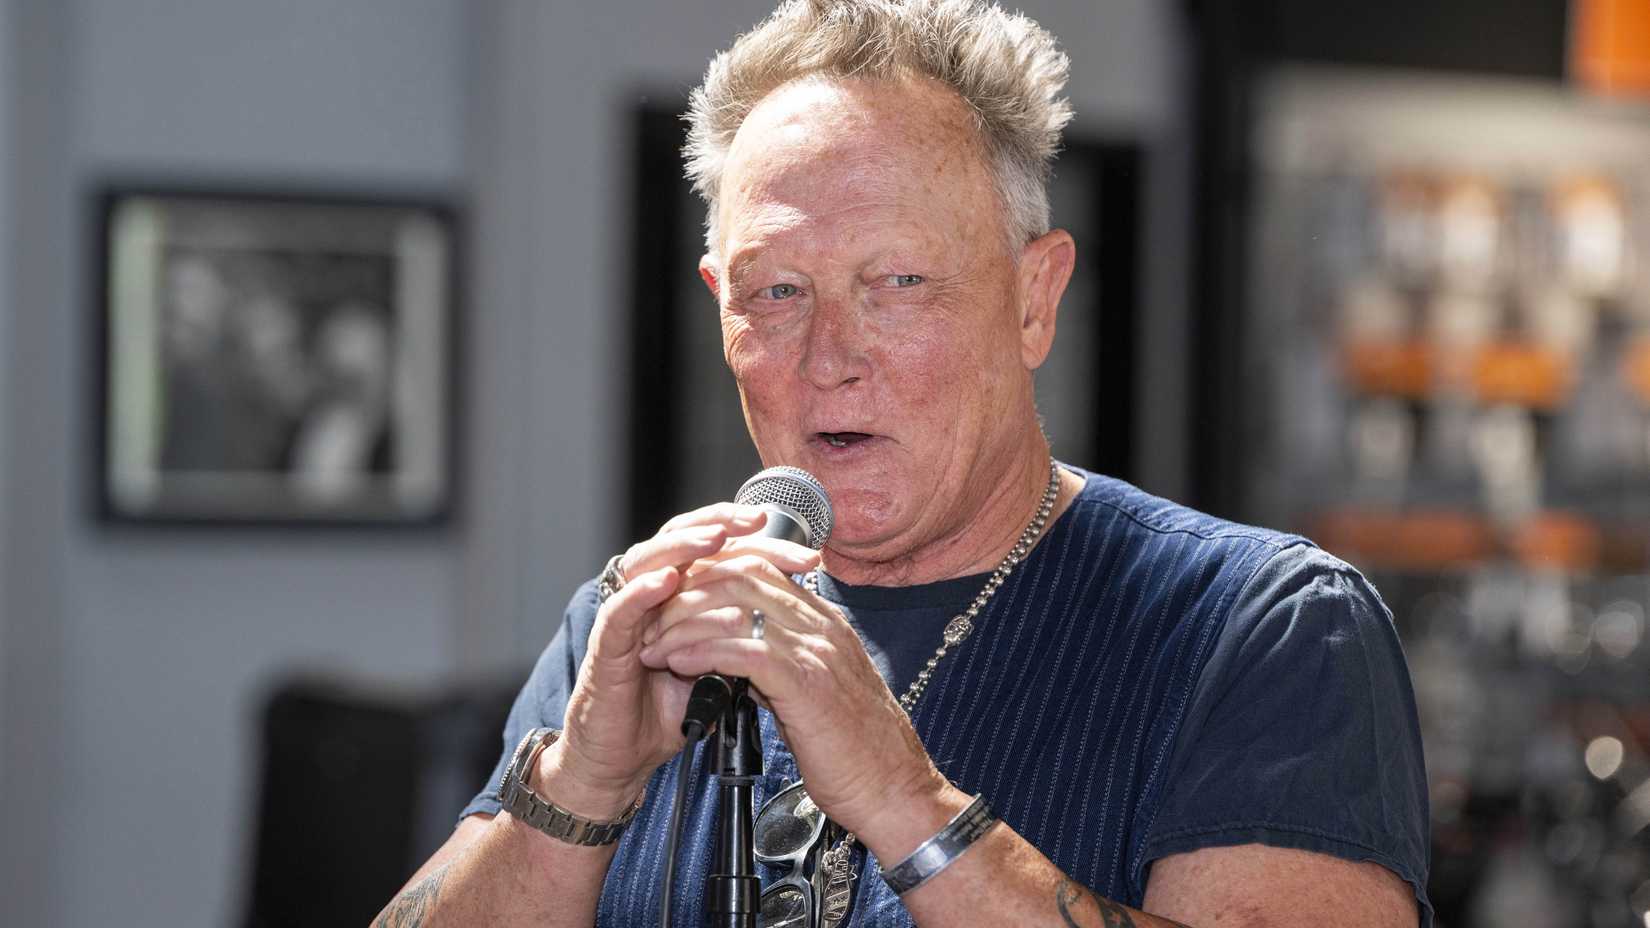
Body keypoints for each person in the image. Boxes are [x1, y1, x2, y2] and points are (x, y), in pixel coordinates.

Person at [372, 1, 1430, 925]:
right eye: (776, 291)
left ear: (1034, 300)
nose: (831, 357)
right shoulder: (638, 617)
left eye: (900, 281)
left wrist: (906, 804)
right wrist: (577, 788)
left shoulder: (1264, 625)